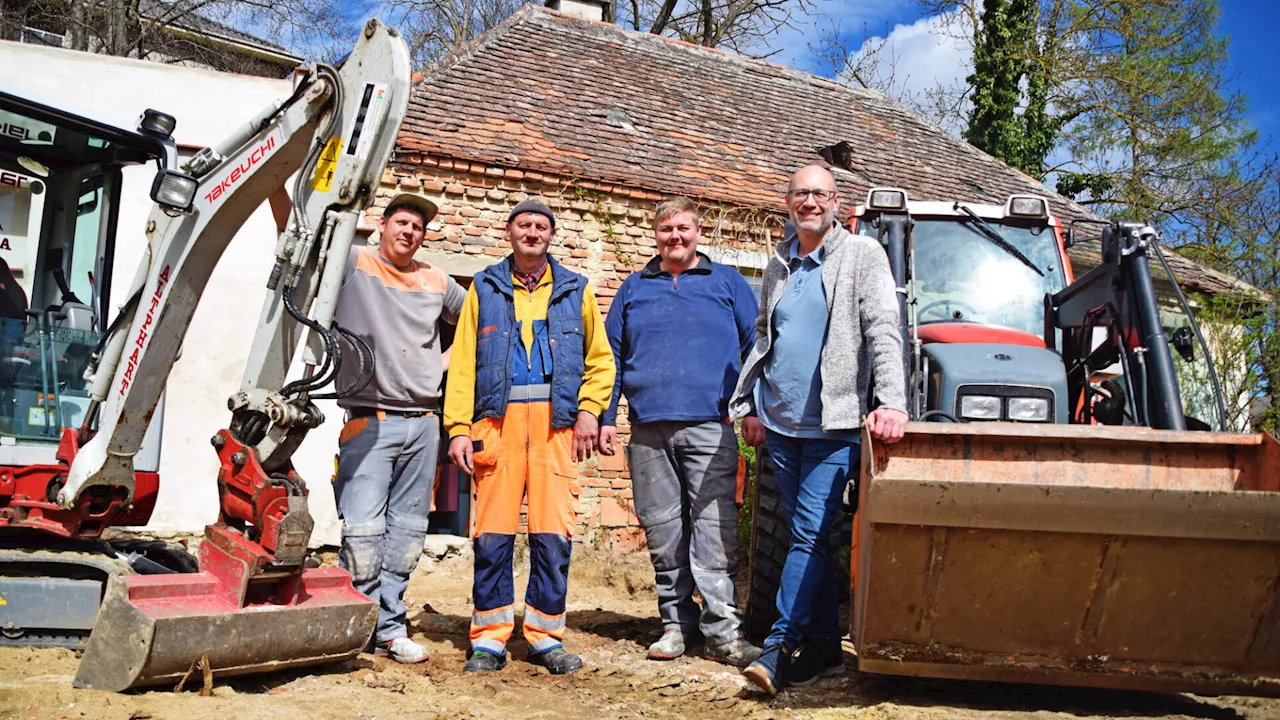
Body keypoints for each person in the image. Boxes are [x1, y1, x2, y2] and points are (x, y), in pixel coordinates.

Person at [730, 165, 909, 694]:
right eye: (800, 194)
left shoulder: (862, 255)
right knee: (808, 540)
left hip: (834, 427)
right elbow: (765, 337)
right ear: (789, 202)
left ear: (836, 201)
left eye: (819, 194)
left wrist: (892, 402)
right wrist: (752, 404)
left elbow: (883, 328)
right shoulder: (778, 264)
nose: (809, 202)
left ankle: (779, 648)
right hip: (782, 427)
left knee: (808, 534)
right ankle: (827, 648)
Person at [445, 198, 616, 675]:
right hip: (494, 426)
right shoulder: (485, 287)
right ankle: (489, 640)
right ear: (510, 232)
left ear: (550, 235)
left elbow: (600, 361)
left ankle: (545, 636)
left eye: (541, 226)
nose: (533, 232)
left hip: (555, 427)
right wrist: (459, 428)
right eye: (524, 225)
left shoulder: (575, 289)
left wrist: (588, 413)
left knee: (551, 535)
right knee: (492, 537)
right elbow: (462, 364)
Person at [598, 196, 761, 667]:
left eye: (683, 228)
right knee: (663, 530)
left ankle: (724, 634)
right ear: (656, 235)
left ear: (698, 231)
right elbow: (610, 356)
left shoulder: (727, 282)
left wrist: (751, 409)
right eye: (666, 229)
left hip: (712, 426)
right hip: (648, 429)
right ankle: (675, 625)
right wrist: (606, 416)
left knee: (714, 530)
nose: (675, 237)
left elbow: (756, 349)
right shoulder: (634, 288)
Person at [333, 193, 465, 664]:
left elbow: (474, 321)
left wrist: (440, 364)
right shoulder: (353, 264)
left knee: (407, 533)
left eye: (418, 226)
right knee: (364, 532)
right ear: (382, 225)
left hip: (425, 424)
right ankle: (358, 625)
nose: (410, 231)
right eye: (402, 222)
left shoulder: (436, 279)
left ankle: (389, 629)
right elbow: (302, 245)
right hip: (369, 420)